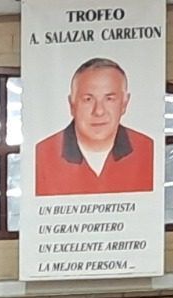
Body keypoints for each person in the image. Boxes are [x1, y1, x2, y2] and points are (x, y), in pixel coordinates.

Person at [33, 57, 155, 196]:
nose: (98, 111)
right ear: (72, 104)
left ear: (124, 104)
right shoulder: (42, 155)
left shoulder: (148, 149)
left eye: (109, 99)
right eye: (88, 99)